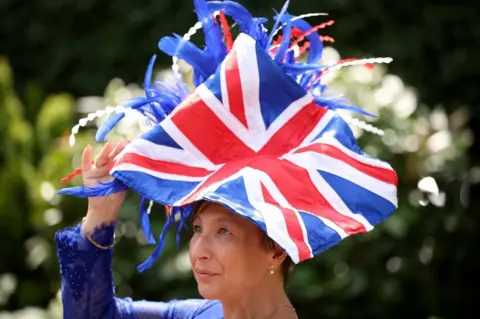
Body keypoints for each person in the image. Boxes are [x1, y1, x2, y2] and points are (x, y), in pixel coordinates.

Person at [55, 0, 399, 318]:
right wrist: (99, 214)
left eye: (224, 232)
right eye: (198, 228)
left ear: (277, 250)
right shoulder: (196, 314)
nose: (199, 251)